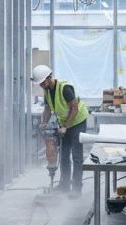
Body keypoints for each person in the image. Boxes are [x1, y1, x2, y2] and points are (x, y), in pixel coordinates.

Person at [32, 64, 89, 195]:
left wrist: (65, 127)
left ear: (49, 77)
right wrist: (44, 122)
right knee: (63, 156)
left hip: (78, 121)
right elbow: (47, 109)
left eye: (42, 83)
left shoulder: (65, 88)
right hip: (65, 124)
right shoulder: (47, 91)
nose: (41, 86)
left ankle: (76, 189)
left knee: (76, 156)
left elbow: (74, 109)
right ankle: (64, 185)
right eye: (39, 84)